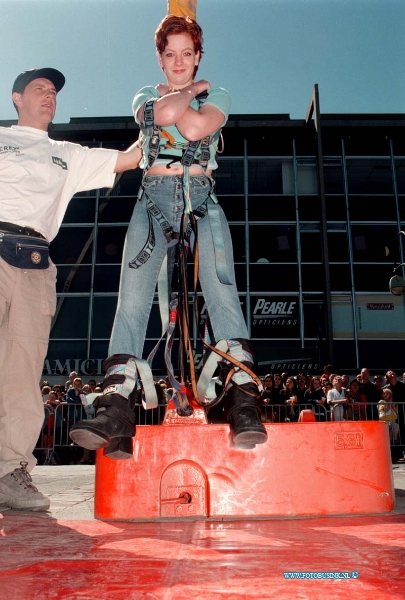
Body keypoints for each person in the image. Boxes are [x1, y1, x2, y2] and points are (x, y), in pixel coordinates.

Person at [70, 14, 267, 458]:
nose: (179, 63)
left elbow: (196, 128)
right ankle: (117, 408)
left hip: (202, 200)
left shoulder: (221, 95)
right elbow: (162, 114)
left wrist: (185, 101)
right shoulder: (148, 94)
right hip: (152, 200)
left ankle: (241, 401)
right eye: (170, 56)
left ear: (198, 57)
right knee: (133, 298)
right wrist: (191, 94)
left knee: (222, 291)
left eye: (187, 55)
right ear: (160, 60)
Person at [0, 67, 142, 511]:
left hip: (35, 260)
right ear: (16, 98)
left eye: (55, 93)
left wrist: (159, 115)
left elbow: (129, 158)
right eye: (40, 89)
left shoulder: (67, 153)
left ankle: (8, 472)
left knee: (22, 375)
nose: (50, 97)